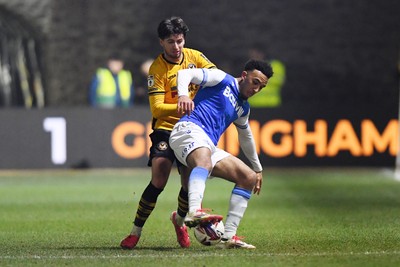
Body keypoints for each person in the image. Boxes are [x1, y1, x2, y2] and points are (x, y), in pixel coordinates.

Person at [120, 16, 218, 249]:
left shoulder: (195, 57)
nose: (176, 47)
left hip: (192, 129)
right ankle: (135, 231)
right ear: (161, 43)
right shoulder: (157, 69)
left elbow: (216, 76)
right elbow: (157, 109)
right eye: (171, 42)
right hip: (165, 128)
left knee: (187, 184)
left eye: (180, 41)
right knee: (159, 177)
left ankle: (180, 222)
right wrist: (182, 104)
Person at [169, 59, 273, 249]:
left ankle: (228, 238)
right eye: (255, 82)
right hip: (187, 129)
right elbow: (185, 74)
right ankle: (195, 211)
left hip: (207, 144)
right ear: (244, 76)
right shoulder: (222, 79)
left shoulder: (243, 108)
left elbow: (246, 136)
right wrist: (183, 95)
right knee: (204, 162)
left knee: (247, 177)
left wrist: (257, 169)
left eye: (262, 87)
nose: (256, 89)